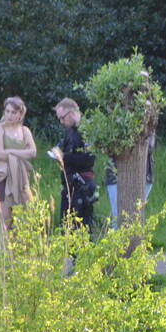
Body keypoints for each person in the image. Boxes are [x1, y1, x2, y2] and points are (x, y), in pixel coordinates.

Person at [0, 96, 37, 232]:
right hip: (2, 176)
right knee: (6, 220)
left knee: (22, 218)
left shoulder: (25, 130)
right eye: (7, 111)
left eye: (13, 112)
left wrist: (10, 151)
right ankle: (5, 251)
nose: (9, 115)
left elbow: (33, 152)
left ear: (20, 114)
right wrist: (21, 154)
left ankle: (20, 251)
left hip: (21, 177)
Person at [53, 98, 96, 234]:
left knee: (81, 227)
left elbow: (89, 160)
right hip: (69, 183)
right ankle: (70, 254)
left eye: (62, 118)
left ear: (71, 113)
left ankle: (81, 255)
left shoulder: (86, 130)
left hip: (82, 184)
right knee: (66, 225)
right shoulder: (69, 131)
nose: (61, 122)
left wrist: (64, 156)